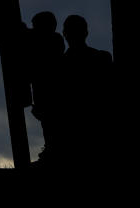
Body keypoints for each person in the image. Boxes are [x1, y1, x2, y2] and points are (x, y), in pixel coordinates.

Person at [59, 14, 113, 166]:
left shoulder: (60, 66)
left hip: (74, 135)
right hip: (100, 132)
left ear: (64, 34)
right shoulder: (102, 58)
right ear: (86, 33)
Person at [26, 11, 65, 164]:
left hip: (51, 90)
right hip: (43, 91)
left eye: (36, 25)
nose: (33, 28)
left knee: (52, 122)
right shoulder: (49, 39)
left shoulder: (53, 40)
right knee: (47, 122)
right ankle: (50, 149)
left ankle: (52, 151)